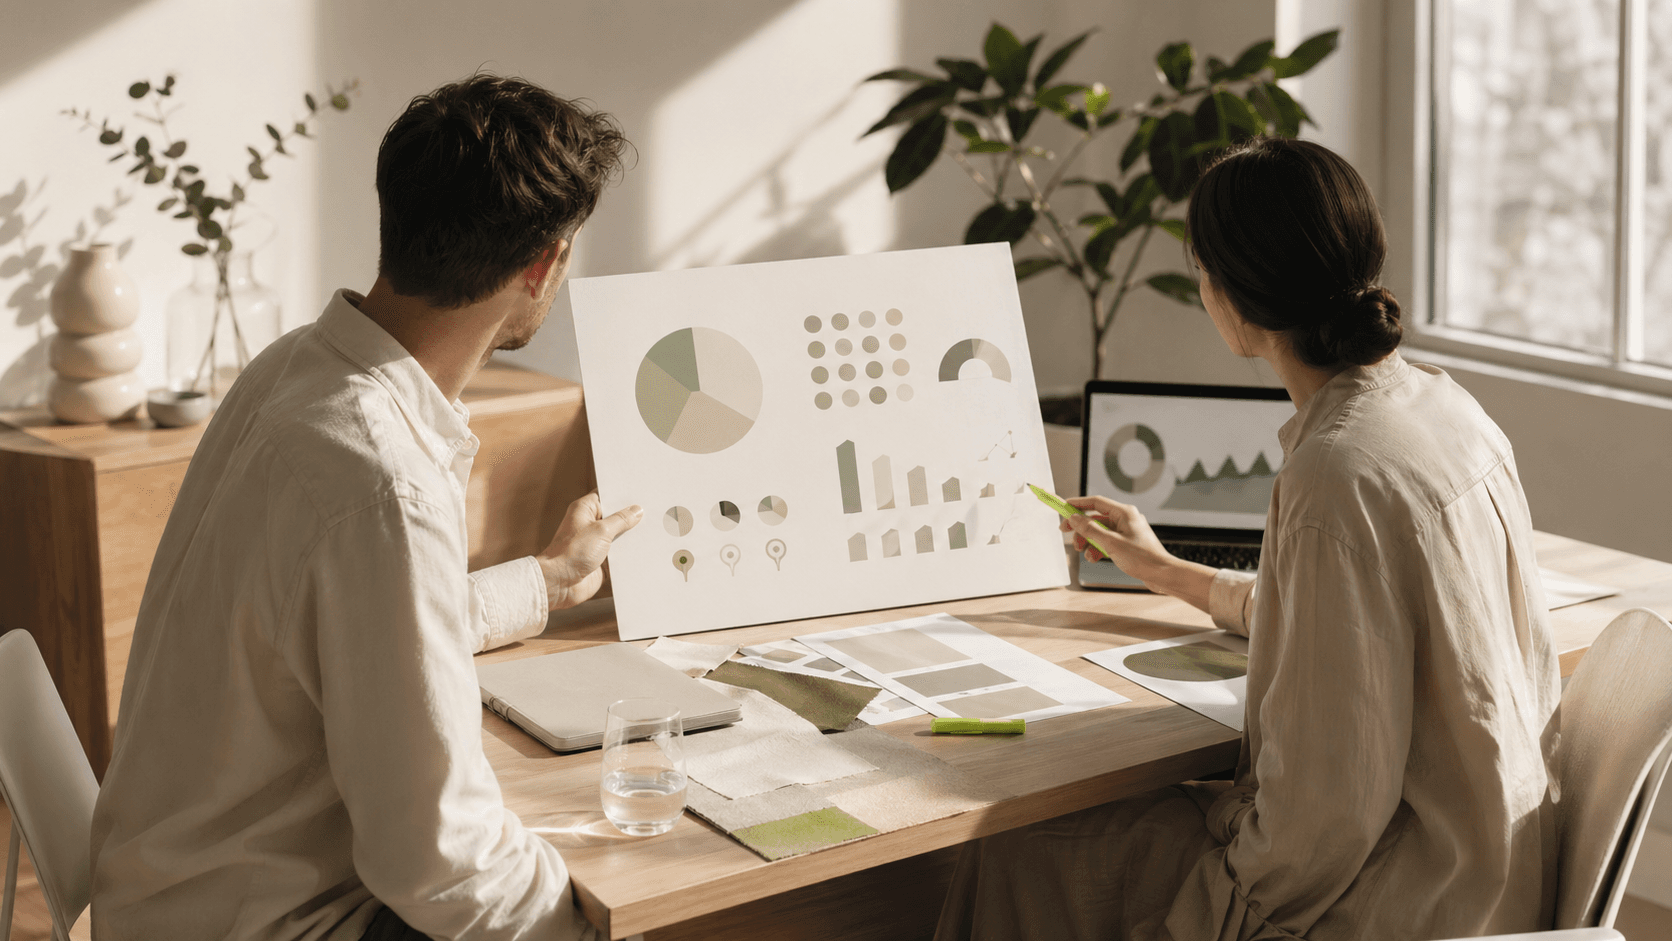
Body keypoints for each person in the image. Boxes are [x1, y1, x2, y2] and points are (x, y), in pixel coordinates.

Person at [935, 137, 1561, 940]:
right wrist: (1166, 571)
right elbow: (1352, 631)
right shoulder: (1444, 408)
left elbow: (1321, 817)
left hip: (1396, 901)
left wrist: (1214, 912)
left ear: (1229, 293)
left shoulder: (1333, 473)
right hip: (1492, 874)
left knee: (1015, 847)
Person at [90, 75, 638, 941]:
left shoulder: (294, 369)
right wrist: (608, 916)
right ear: (545, 265)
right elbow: (440, 865)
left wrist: (544, 579)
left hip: (171, 887)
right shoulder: (385, 481)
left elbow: (366, 626)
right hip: (268, 923)